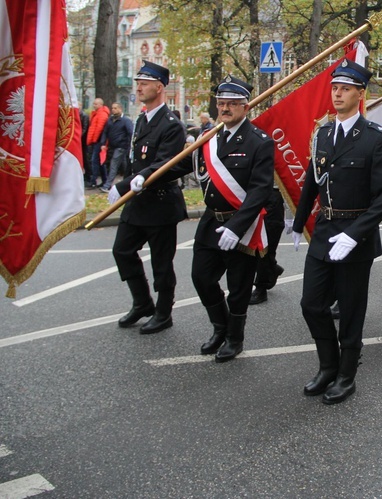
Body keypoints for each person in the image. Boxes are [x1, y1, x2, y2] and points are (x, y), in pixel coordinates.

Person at [291, 60, 382, 405]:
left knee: (351, 308)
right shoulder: (322, 133)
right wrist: (297, 221)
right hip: (325, 230)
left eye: (345, 89)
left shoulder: (376, 138)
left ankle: (346, 374)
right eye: (335, 88)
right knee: (311, 303)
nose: (337, 94)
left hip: (356, 235)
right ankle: (328, 365)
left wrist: (354, 234)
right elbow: (313, 178)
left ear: (360, 94)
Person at [183, 76, 274, 362]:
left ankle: (235, 338)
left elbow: (260, 191)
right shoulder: (209, 138)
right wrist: (138, 180)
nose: (224, 108)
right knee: (201, 277)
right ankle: (220, 327)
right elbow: (181, 164)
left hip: (242, 226)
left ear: (245, 107)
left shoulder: (260, 142)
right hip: (211, 221)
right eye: (221, 103)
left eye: (232, 104)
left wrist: (236, 227)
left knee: (238, 288)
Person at [108, 61, 189, 335]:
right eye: (137, 83)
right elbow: (135, 161)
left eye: (144, 83)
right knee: (122, 250)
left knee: (161, 263)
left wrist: (126, 185)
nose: (139, 87)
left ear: (159, 86)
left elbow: (166, 164)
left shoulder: (172, 125)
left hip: (160, 204)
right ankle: (142, 302)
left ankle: (164, 313)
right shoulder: (142, 119)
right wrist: (124, 183)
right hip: (137, 201)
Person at [248, 183, 285, 305]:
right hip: (250, 192)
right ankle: (272, 268)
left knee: (265, 244)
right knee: (249, 243)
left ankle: (261, 287)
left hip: (270, 194)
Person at [100, 102, 133, 192]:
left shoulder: (126, 121)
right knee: (124, 165)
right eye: (112, 108)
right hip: (112, 146)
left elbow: (130, 133)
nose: (113, 110)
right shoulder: (110, 120)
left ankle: (107, 185)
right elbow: (105, 132)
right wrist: (103, 143)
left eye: (115, 108)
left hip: (121, 146)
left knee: (114, 164)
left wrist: (130, 145)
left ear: (120, 109)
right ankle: (128, 181)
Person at [87, 98, 110, 188]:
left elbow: (99, 129)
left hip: (99, 141)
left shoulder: (102, 114)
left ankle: (93, 181)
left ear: (100, 104)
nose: (94, 105)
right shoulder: (97, 114)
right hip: (98, 141)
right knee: (100, 162)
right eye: (94, 103)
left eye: (96, 104)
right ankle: (104, 180)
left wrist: (94, 140)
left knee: (95, 161)